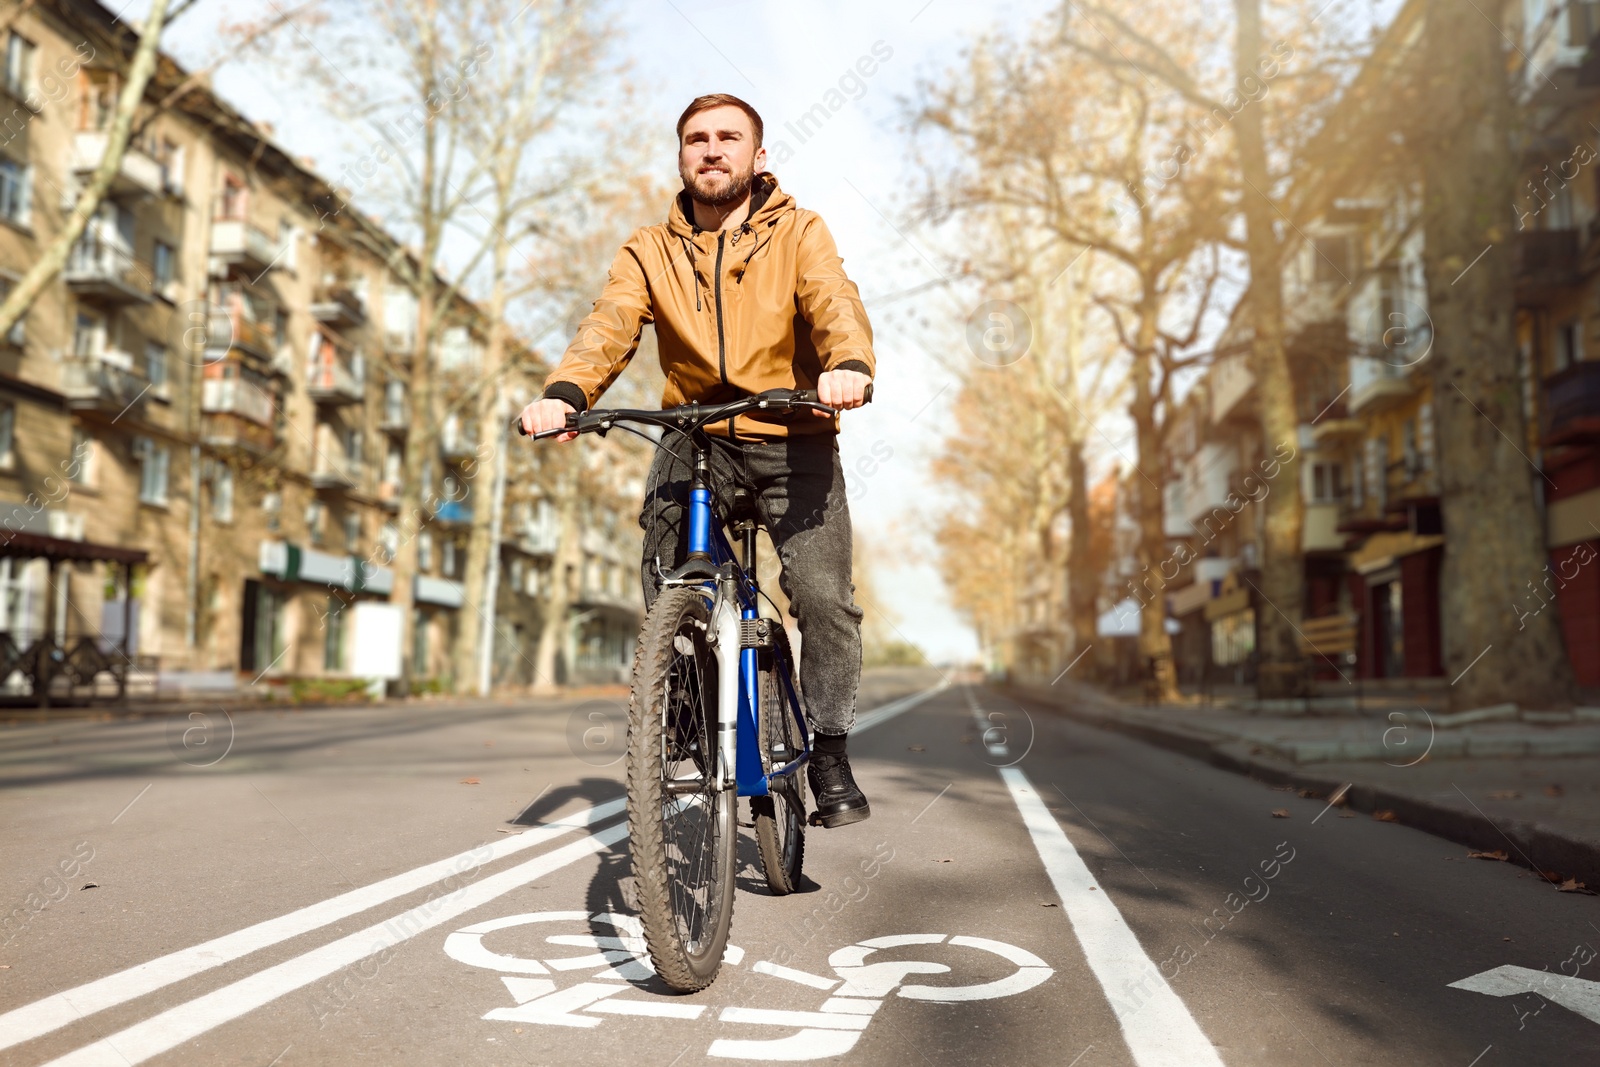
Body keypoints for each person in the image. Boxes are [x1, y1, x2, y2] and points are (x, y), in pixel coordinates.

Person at [516, 93, 875, 828]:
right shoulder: (649, 248)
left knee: (825, 598)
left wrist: (847, 363)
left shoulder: (800, 233)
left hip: (791, 432)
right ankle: (682, 695)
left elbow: (833, 299)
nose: (712, 150)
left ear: (758, 156)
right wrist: (565, 392)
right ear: (682, 157)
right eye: (696, 139)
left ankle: (831, 748)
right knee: (664, 567)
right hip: (694, 431)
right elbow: (610, 324)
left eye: (728, 138)